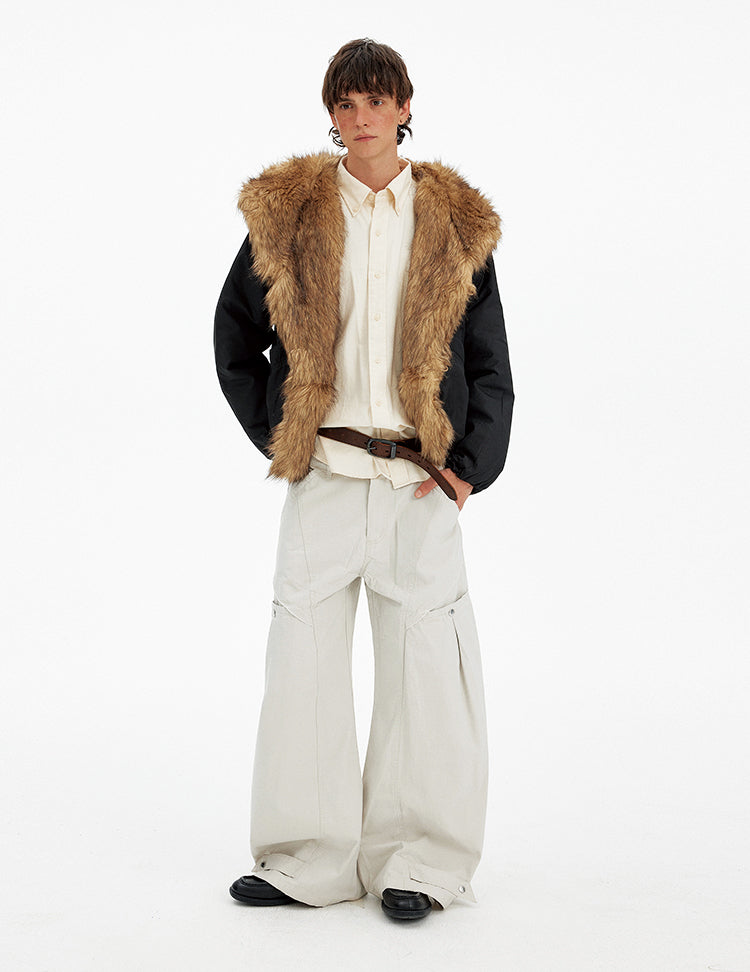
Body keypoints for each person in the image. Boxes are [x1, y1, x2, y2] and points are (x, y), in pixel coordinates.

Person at [213, 37, 514, 922]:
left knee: (425, 670)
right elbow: (234, 336)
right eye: (346, 103)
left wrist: (469, 471)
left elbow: (490, 360)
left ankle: (418, 862)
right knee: (302, 662)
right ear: (332, 114)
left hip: (421, 481)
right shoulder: (291, 212)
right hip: (328, 475)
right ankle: (306, 859)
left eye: (377, 100)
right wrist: (285, 437)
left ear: (404, 106)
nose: (361, 117)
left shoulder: (454, 219)